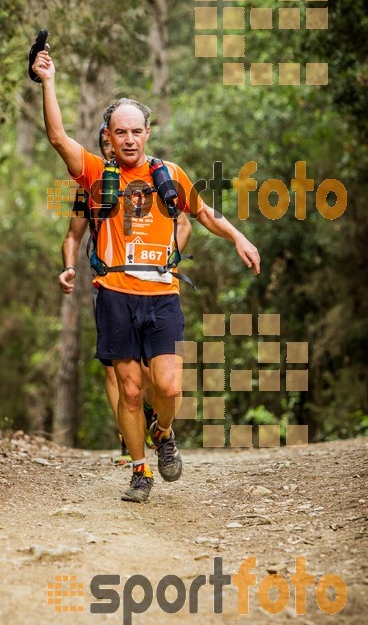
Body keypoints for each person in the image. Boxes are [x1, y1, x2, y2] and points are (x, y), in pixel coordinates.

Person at [34, 49, 260, 503]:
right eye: (121, 132)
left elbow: (203, 212)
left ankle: (165, 431)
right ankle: (140, 472)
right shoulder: (97, 175)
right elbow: (58, 137)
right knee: (131, 391)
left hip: (162, 294)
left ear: (148, 133)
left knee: (169, 386)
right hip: (115, 295)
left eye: (137, 131)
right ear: (110, 136)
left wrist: (237, 236)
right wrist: (49, 81)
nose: (130, 139)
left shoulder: (169, 174)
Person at [58, 123, 192, 465]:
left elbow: (185, 221)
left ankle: (156, 426)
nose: (114, 147)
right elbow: (72, 235)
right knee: (117, 373)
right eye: (110, 141)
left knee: (156, 376)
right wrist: (70, 266)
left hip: (153, 285)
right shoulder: (90, 184)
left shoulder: (154, 179)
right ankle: (127, 439)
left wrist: (166, 260)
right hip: (109, 284)